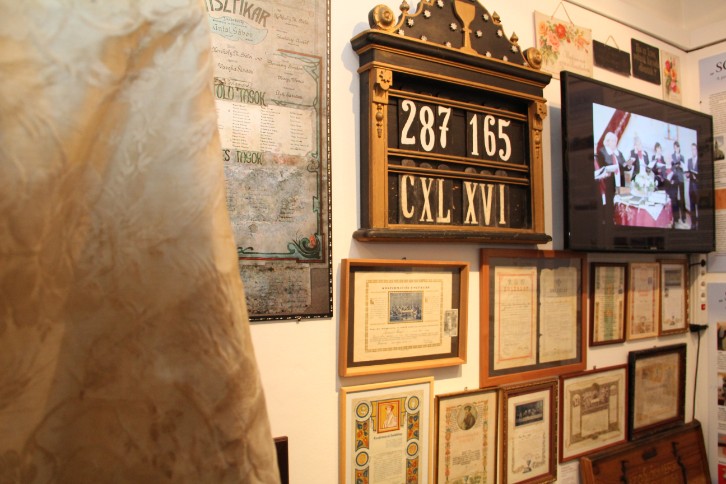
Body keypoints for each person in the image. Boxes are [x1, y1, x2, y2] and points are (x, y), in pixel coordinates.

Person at [670, 141, 686, 225]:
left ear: (679, 148)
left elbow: (684, 169)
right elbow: (671, 168)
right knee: (675, 197)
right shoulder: (672, 156)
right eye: (675, 147)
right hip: (675, 178)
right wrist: (675, 166)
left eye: (677, 147)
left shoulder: (682, 157)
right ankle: (676, 217)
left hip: (681, 179)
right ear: (674, 148)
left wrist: (681, 166)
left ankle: (683, 217)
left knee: (682, 198)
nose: (676, 149)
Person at [687, 143, 699, 228]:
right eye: (692, 149)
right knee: (692, 207)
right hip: (691, 188)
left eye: (694, 149)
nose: (693, 151)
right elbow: (688, 173)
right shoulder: (689, 160)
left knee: (699, 207)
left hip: (698, 188)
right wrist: (687, 175)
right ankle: (693, 224)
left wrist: (696, 177)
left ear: (697, 150)